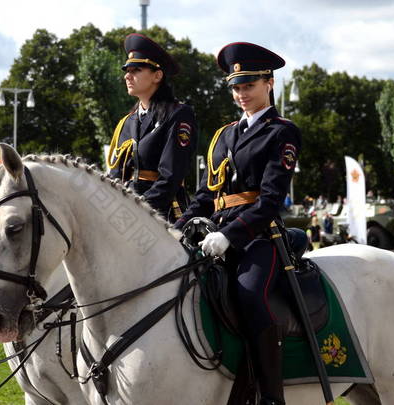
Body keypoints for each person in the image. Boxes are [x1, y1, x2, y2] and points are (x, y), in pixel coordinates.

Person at [175, 42, 301, 405]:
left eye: (248, 85)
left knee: (249, 295)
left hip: (259, 238)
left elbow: (270, 201)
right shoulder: (223, 135)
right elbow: (204, 195)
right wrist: (175, 225)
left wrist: (230, 235)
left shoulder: (282, 132)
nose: (241, 94)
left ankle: (270, 396)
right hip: (213, 234)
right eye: (236, 87)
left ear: (269, 83)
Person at [107, 33, 197, 223]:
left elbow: (170, 177)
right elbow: (114, 176)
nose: (127, 76)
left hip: (164, 216)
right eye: (126, 70)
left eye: (136, 70)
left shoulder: (178, 114)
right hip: (124, 215)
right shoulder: (126, 123)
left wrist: (136, 211)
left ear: (157, 75)